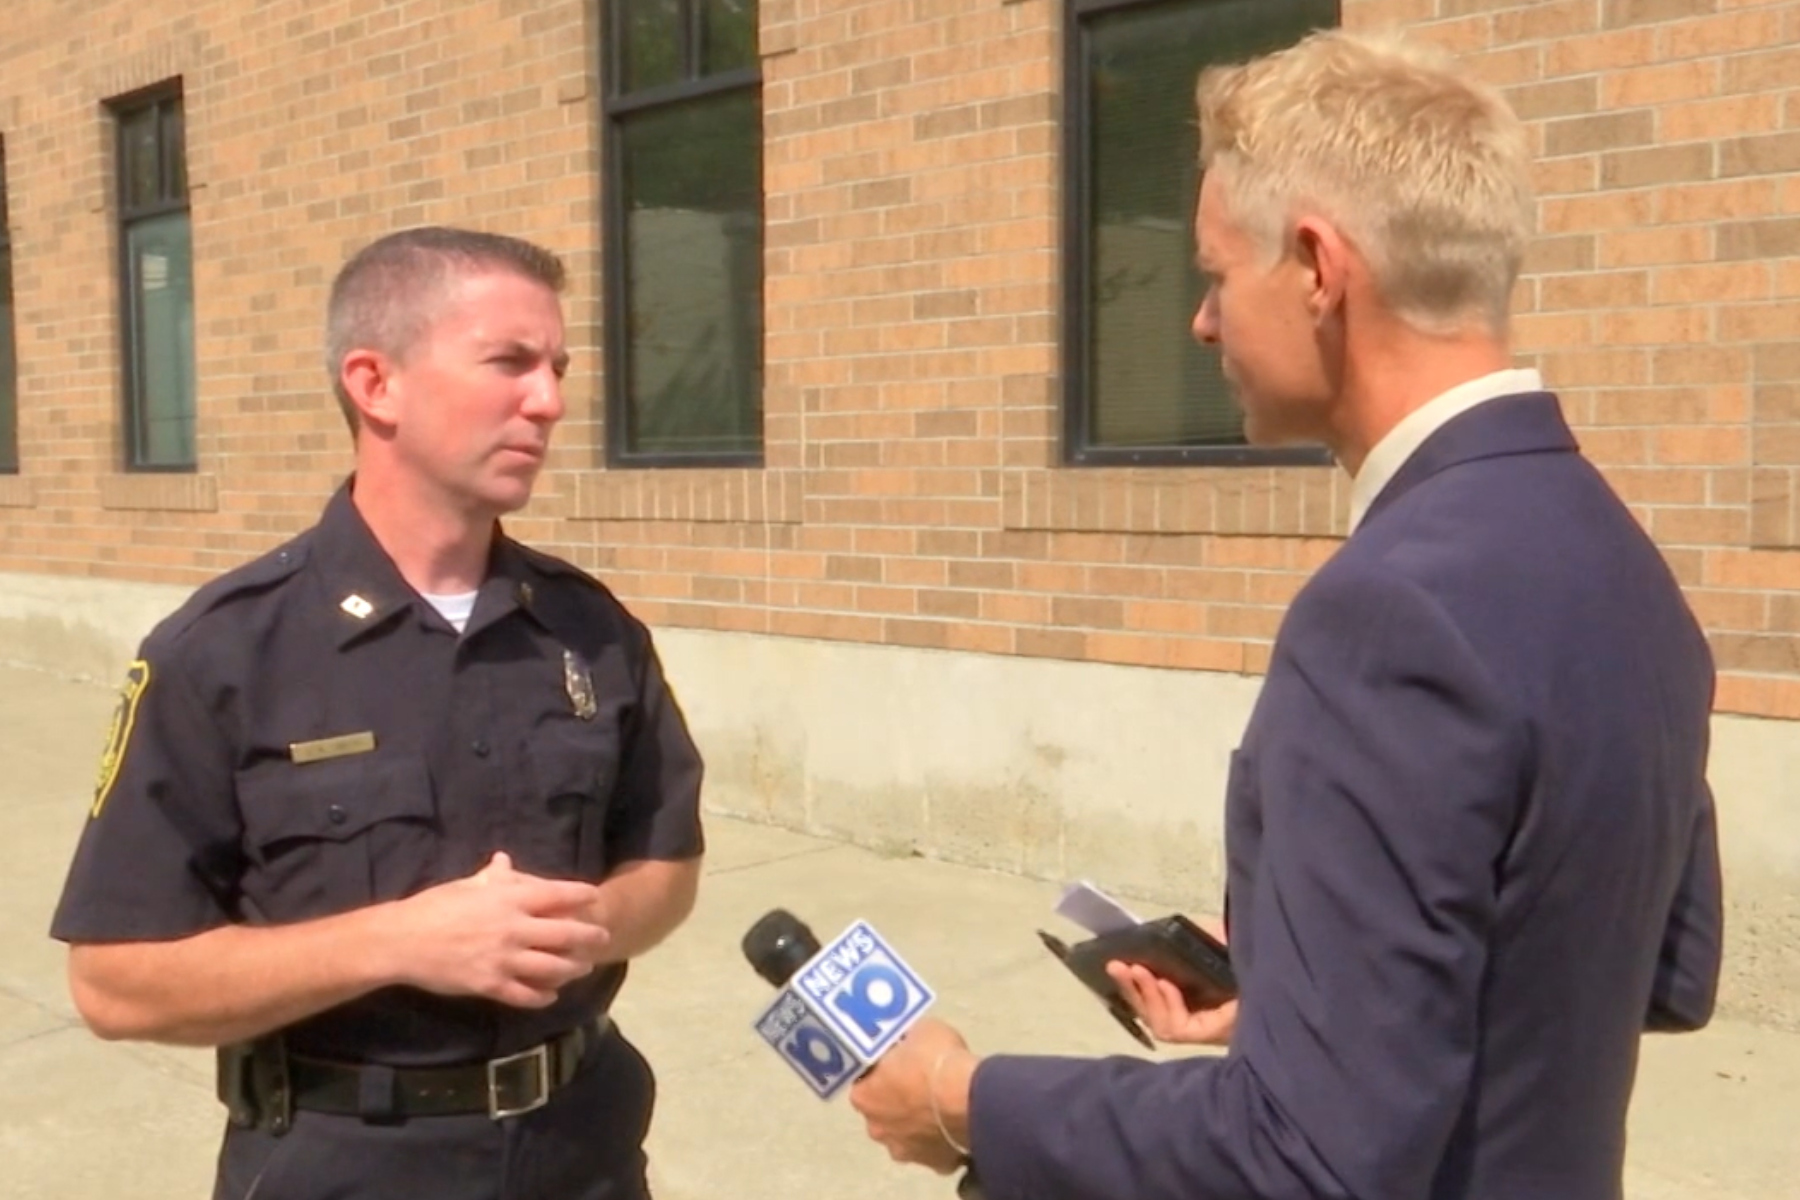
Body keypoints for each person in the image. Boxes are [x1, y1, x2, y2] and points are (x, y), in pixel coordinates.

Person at [848, 29, 1723, 1200]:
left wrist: (964, 1098)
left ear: (1318, 266)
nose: (1203, 323)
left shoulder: (1388, 614)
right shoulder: (1622, 561)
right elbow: (1666, 972)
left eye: (1216, 276)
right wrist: (1324, 1013)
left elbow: (1305, 1158)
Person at [50, 227, 706, 1200]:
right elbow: (114, 982)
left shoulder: (591, 629)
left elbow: (666, 864)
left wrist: (586, 924)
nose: (552, 401)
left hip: (584, 1152)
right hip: (348, 1161)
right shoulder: (222, 654)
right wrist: (401, 942)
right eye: (510, 363)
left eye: (559, 368)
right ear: (376, 383)